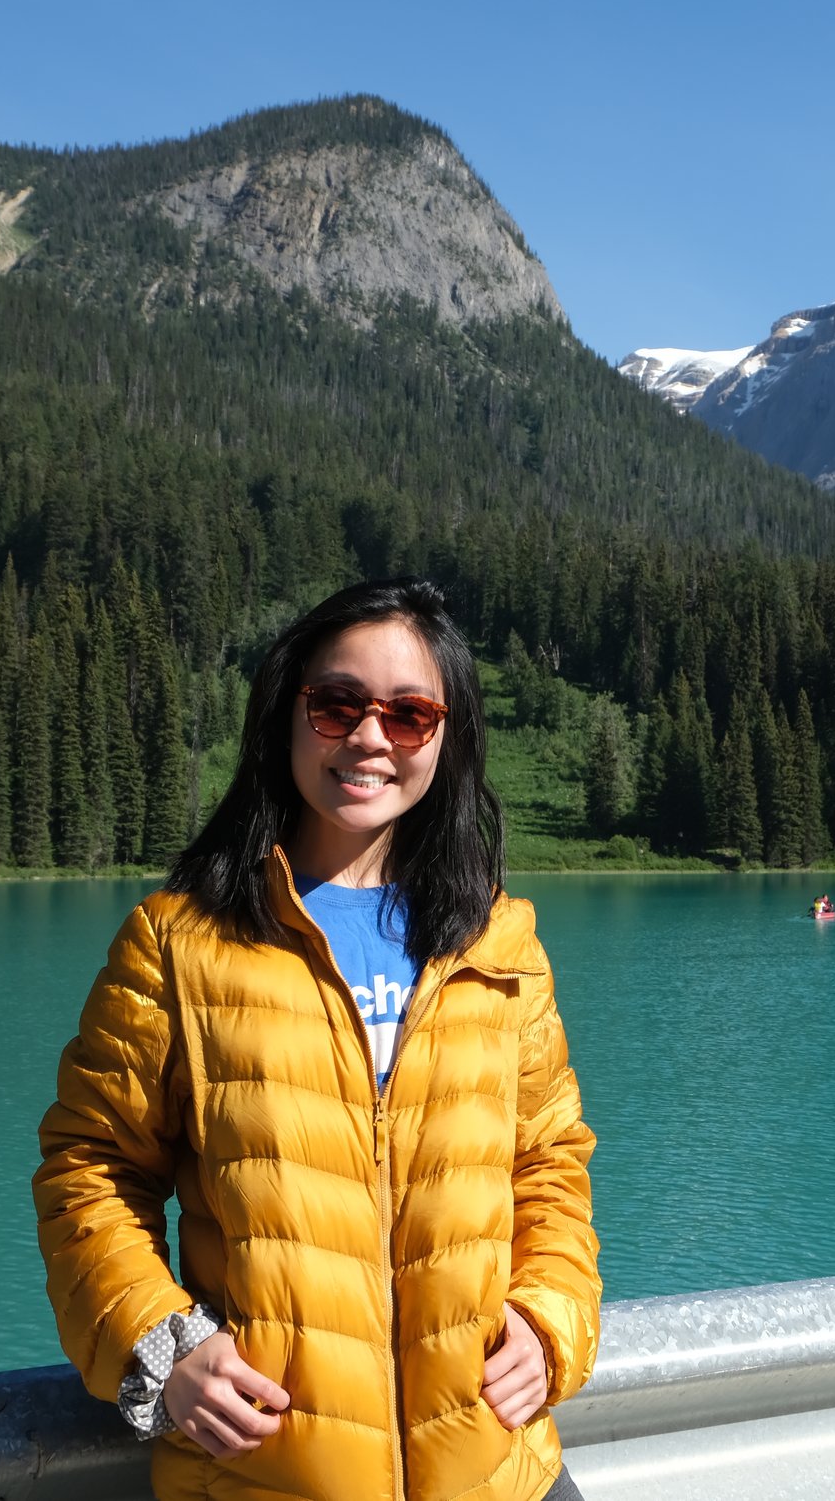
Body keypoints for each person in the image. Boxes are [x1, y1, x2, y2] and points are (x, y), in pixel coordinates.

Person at [34, 578, 599, 1501]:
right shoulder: (180, 941)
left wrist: (548, 1319)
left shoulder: (498, 941)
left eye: (410, 714)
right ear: (286, 714)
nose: (370, 736)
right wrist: (160, 1343)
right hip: (268, 1477)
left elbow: (550, 1165)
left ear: (445, 739)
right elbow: (88, 1167)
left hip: (505, 1472)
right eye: (339, 704)